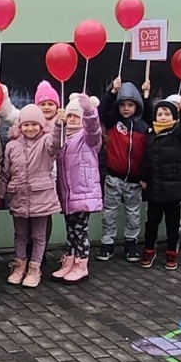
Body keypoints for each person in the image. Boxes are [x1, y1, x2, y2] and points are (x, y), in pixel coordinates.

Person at [3, 104, 60, 285]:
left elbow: (58, 143)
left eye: (34, 124)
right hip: (19, 196)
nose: (30, 128)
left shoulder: (46, 142)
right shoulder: (12, 146)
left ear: (41, 125)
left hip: (40, 197)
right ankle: (19, 265)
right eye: (26, 125)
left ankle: (35, 268)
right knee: (20, 234)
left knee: (38, 236)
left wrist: (60, 125)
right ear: (20, 127)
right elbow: (6, 172)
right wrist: (0, 193)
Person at [53, 94, 102, 284]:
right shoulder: (63, 136)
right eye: (70, 116)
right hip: (68, 193)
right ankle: (70, 260)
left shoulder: (87, 137)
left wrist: (90, 112)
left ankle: (82, 264)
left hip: (83, 192)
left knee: (80, 230)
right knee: (71, 230)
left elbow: (94, 129)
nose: (72, 119)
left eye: (76, 116)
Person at [99, 80, 150, 262]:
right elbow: (103, 111)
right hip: (114, 177)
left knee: (133, 214)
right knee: (109, 212)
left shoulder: (144, 127)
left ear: (137, 106)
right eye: (122, 105)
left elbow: (148, 155)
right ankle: (107, 243)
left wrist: (146, 95)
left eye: (130, 105)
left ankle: (131, 243)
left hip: (135, 180)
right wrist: (112, 91)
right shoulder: (113, 122)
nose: (126, 109)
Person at [139, 95, 181, 270]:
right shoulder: (151, 135)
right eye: (160, 114)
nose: (163, 117)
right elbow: (147, 160)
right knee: (151, 222)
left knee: (172, 223)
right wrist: (144, 178)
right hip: (154, 187)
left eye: (167, 114)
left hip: (173, 188)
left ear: (174, 117)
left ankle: (171, 253)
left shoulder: (179, 133)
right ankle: (148, 250)